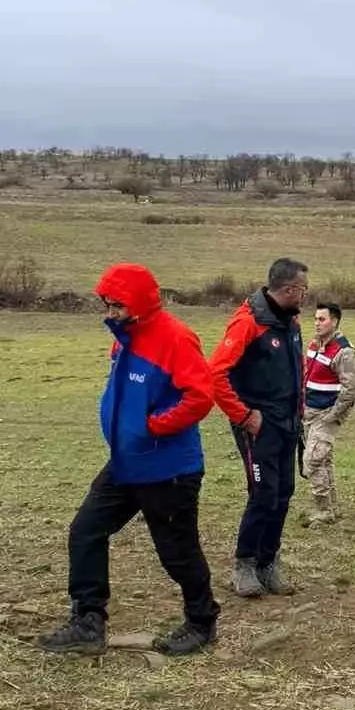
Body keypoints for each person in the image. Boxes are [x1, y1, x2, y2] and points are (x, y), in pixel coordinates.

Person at [39, 264, 220, 657]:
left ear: (138, 303)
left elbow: (200, 396)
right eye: (106, 304)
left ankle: (202, 622)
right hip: (125, 463)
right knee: (85, 531)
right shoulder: (123, 338)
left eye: (116, 305)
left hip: (168, 469)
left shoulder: (175, 338)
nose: (109, 313)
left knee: (177, 551)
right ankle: (88, 621)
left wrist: (154, 426)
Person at [211, 258, 307, 598]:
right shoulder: (247, 324)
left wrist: (300, 411)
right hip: (258, 427)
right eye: (302, 290)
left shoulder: (290, 323)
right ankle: (245, 564)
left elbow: (295, 371)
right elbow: (215, 375)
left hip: (288, 424)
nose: (305, 297)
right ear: (288, 289)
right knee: (263, 494)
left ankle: (269, 563)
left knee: (283, 494)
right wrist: (243, 415)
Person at [301, 301, 355, 527]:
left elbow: (351, 388)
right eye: (315, 319)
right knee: (323, 459)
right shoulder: (314, 345)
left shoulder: (344, 351)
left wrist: (333, 415)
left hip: (327, 413)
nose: (317, 323)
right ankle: (332, 507)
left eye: (322, 319)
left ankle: (323, 510)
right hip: (310, 411)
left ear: (334, 321)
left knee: (313, 460)